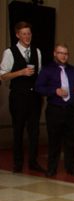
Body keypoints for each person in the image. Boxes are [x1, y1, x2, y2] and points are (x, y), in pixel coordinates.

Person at [34, 44, 74, 177]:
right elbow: (39, 87)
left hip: (72, 110)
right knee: (54, 141)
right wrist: (54, 91)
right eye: (61, 53)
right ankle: (52, 168)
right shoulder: (47, 70)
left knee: (71, 141)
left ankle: (71, 167)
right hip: (55, 110)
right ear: (55, 54)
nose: (63, 56)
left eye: (66, 54)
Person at [0, 21, 45, 173]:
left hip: (34, 97)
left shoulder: (37, 51)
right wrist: (21, 72)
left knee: (34, 131)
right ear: (17, 35)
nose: (27, 36)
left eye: (29, 33)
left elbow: (40, 73)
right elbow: (3, 76)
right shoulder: (9, 52)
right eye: (24, 34)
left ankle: (33, 162)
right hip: (18, 97)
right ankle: (17, 163)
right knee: (18, 130)